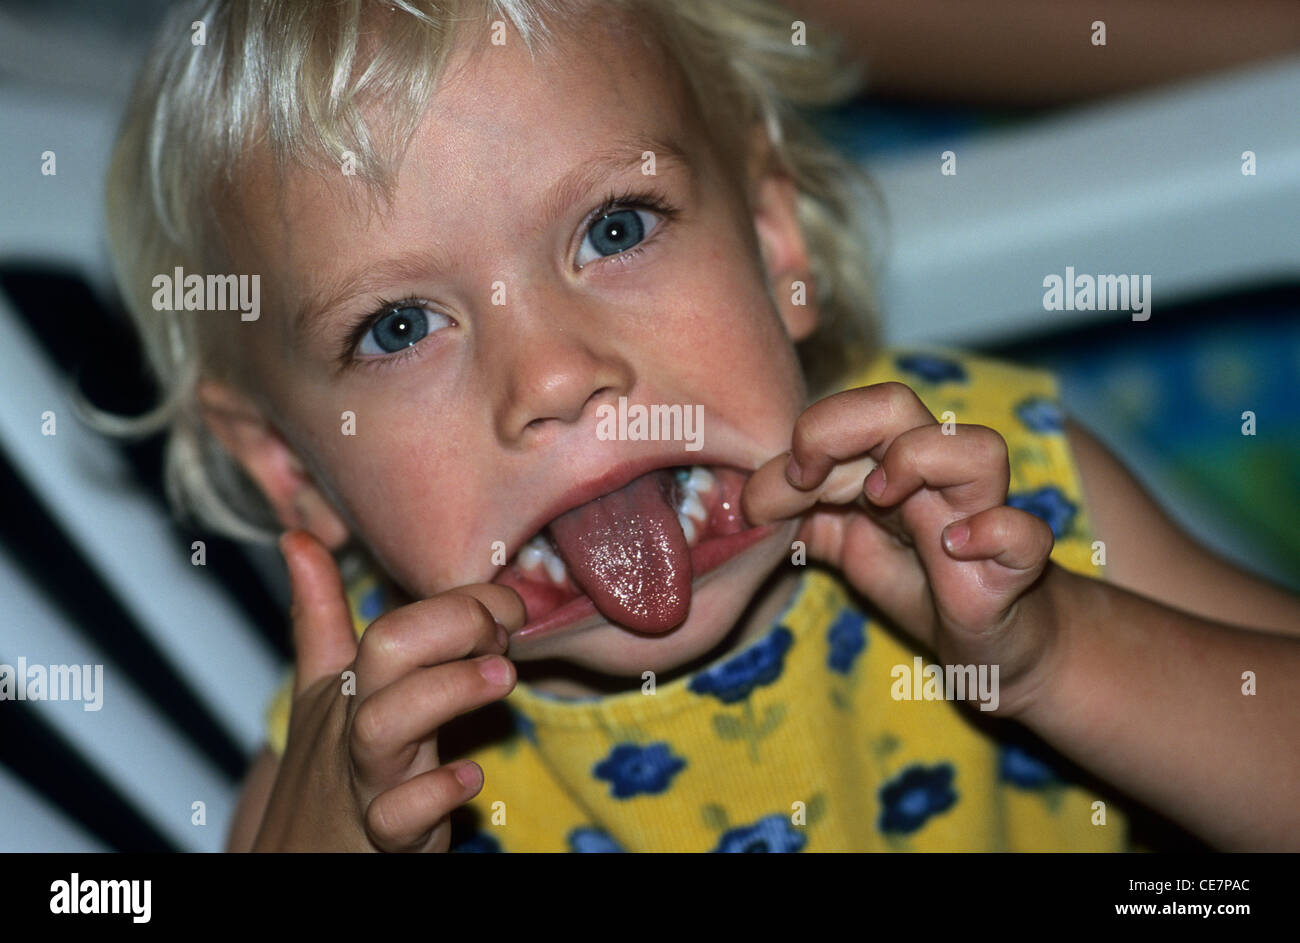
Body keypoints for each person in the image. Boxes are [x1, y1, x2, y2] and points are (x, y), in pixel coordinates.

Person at [96, 0, 1300, 852]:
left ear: (775, 244)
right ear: (281, 462)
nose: (557, 374)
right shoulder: (374, 725)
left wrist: (1057, 651)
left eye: (615, 229)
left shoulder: (989, 495)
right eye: (402, 326)